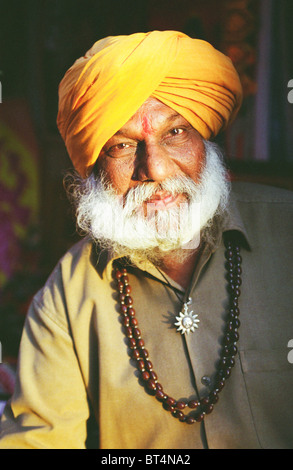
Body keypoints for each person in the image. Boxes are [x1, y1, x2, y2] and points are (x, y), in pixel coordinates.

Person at [0, 30, 293, 450]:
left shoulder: (288, 230)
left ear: (204, 142)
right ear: (94, 167)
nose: (154, 168)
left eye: (175, 134)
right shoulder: (69, 292)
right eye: (122, 145)